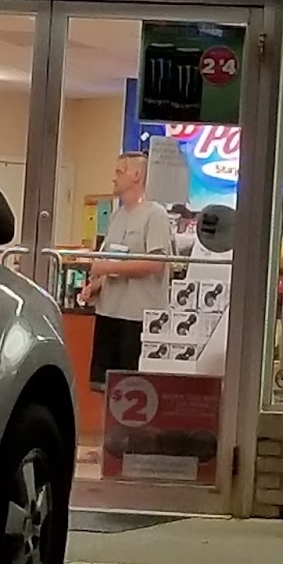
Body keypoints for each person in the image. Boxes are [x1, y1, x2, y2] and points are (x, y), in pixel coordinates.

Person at [79, 151, 175, 391]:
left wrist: (109, 267)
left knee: (134, 388)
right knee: (104, 386)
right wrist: (94, 286)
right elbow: (110, 262)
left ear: (137, 175)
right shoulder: (116, 216)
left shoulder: (155, 215)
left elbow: (155, 263)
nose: (114, 178)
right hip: (109, 313)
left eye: (119, 172)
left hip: (137, 319)